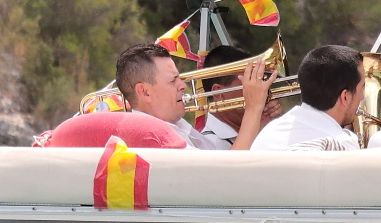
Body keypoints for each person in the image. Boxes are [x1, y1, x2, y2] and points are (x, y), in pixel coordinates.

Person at [114, 42, 270, 150]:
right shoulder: (154, 137)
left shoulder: (175, 125)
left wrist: (260, 121)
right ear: (145, 92)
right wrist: (253, 108)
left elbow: (220, 160)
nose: (182, 85)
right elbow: (225, 173)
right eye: (172, 81)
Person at [252, 45, 365, 152]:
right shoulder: (342, 145)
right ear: (345, 97)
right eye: (362, 88)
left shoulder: (270, 131)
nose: (362, 96)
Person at [189, 45, 284, 149]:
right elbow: (236, 158)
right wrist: (254, 109)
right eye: (248, 83)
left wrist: (266, 125)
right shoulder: (208, 144)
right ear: (218, 92)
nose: (259, 89)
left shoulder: (257, 124)